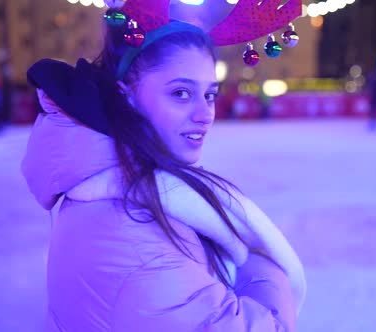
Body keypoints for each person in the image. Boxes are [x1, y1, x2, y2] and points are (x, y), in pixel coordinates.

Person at [21, 0, 305, 331]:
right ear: (127, 95)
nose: (205, 114)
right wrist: (260, 261)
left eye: (209, 95)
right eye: (182, 93)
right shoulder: (134, 240)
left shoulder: (126, 190)